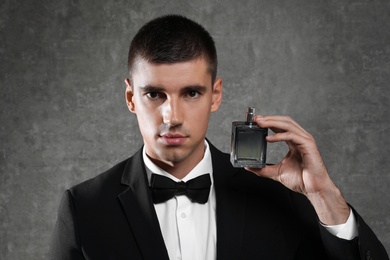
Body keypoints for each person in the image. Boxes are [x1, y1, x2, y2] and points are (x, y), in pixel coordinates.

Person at [49, 14, 389, 260]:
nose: (173, 116)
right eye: (155, 95)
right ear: (130, 98)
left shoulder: (280, 198)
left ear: (216, 95)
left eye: (191, 93)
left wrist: (325, 196)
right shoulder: (84, 208)